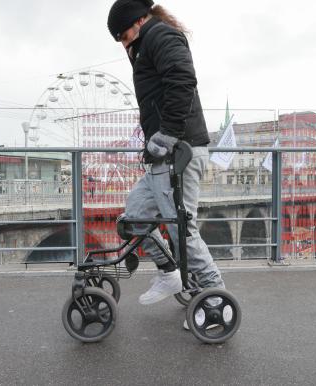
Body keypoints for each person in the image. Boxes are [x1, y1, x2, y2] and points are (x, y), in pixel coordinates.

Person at [107, 0, 225, 309]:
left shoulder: (161, 36)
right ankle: (169, 271)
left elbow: (183, 80)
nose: (123, 44)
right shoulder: (146, 45)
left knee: (181, 229)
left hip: (179, 151)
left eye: (122, 36)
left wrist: (168, 133)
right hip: (162, 155)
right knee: (133, 217)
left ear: (138, 22)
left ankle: (214, 298)